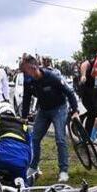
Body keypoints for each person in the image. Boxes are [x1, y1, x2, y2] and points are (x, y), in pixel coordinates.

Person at [20, 54, 79, 183]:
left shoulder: (52, 77)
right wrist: (23, 118)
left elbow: (69, 93)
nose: (24, 74)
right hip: (44, 110)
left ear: (33, 67)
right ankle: (34, 166)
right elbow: (26, 99)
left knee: (60, 139)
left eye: (25, 70)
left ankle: (63, 170)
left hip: (59, 108)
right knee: (34, 138)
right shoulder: (28, 81)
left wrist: (75, 111)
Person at [78, 57, 97, 136]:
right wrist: (83, 75)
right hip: (86, 89)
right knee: (93, 111)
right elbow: (84, 64)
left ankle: (82, 117)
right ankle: (87, 135)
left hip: (94, 90)